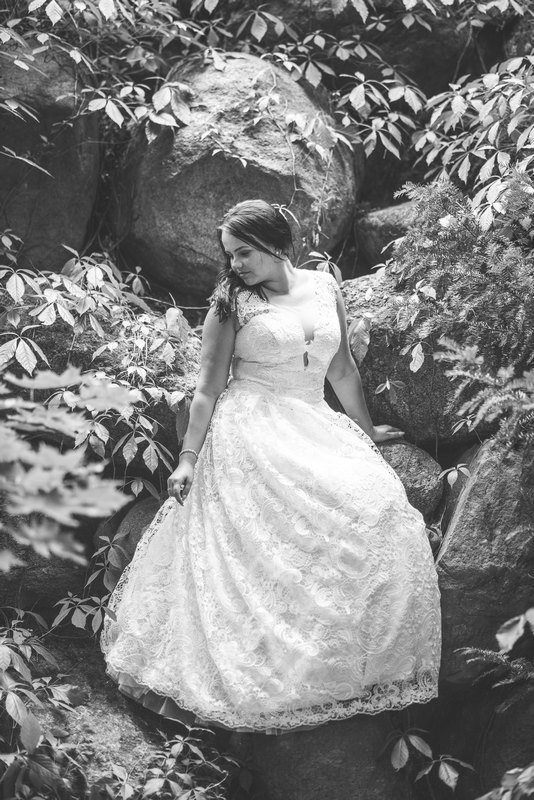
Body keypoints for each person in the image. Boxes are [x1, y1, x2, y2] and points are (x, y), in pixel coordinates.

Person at [100, 199, 441, 734]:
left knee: (378, 509)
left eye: (244, 252)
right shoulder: (230, 303)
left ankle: (342, 667)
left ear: (278, 242)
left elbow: (342, 368)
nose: (235, 264)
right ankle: (259, 675)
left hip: (313, 418)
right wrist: (187, 459)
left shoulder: (325, 286)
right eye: (230, 254)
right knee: (271, 538)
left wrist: (367, 429)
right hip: (250, 426)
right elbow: (207, 389)